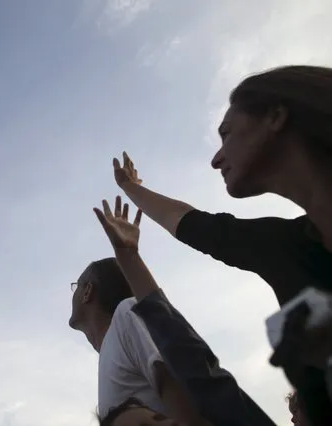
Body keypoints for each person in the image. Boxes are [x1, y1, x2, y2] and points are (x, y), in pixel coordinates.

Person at [110, 65, 332, 426]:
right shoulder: (283, 246)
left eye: (226, 134)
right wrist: (130, 189)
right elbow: (189, 222)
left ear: (275, 116)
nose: (216, 158)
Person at [92, 195, 276, 426]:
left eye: (157, 418)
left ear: (88, 291)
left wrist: (129, 257)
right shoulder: (109, 355)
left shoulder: (127, 315)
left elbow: (187, 359)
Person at [68, 256, 206, 424]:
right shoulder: (110, 349)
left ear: (88, 291)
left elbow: (173, 378)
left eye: (75, 286)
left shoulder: (127, 314)